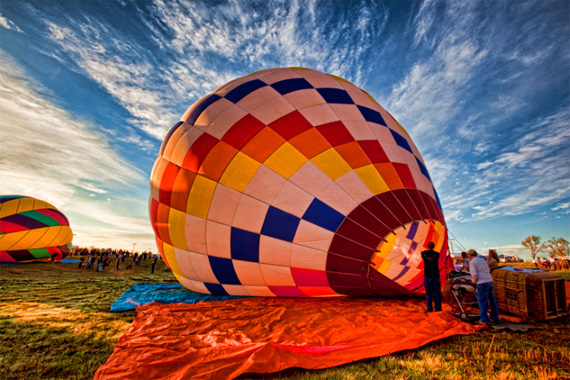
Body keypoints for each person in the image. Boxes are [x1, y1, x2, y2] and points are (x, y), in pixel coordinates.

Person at [468, 249, 500, 325]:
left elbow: (474, 274)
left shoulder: (472, 262)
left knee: (482, 302)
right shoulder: (482, 260)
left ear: (469, 255)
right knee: (492, 301)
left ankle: (483, 320)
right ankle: (495, 318)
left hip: (482, 283)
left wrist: (473, 282)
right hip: (490, 281)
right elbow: (488, 270)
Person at [421, 242, 442, 312]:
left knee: (428, 293)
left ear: (427, 246)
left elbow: (423, 254)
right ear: (434, 246)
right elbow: (435, 255)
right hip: (436, 275)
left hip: (427, 276)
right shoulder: (437, 254)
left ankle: (429, 309)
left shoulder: (423, 254)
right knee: (436, 293)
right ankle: (438, 308)